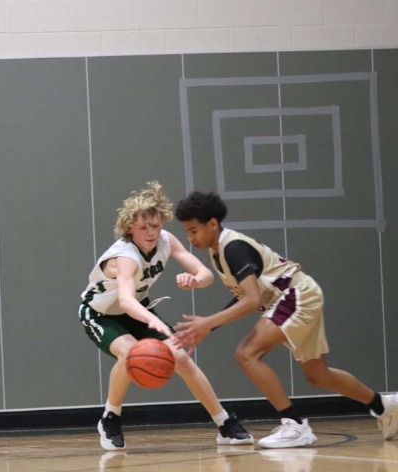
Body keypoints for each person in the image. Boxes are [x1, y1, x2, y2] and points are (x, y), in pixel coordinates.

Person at [174, 190, 398, 448]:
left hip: (295, 295)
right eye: (187, 232)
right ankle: (385, 405)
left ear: (212, 224)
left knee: (247, 354)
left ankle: (294, 425)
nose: (190, 238)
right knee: (318, 375)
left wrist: (208, 323)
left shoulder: (233, 248)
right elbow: (247, 296)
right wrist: (207, 327)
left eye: (193, 230)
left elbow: (251, 300)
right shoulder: (219, 251)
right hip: (296, 296)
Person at [78, 181, 253, 451]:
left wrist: (195, 280)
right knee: (130, 353)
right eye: (143, 227)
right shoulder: (125, 256)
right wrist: (153, 319)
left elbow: (206, 274)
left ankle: (224, 422)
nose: (151, 232)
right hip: (100, 314)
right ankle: (110, 418)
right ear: (130, 227)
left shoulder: (166, 241)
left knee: (181, 357)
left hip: (138, 308)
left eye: (155, 225)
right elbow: (125, 300)